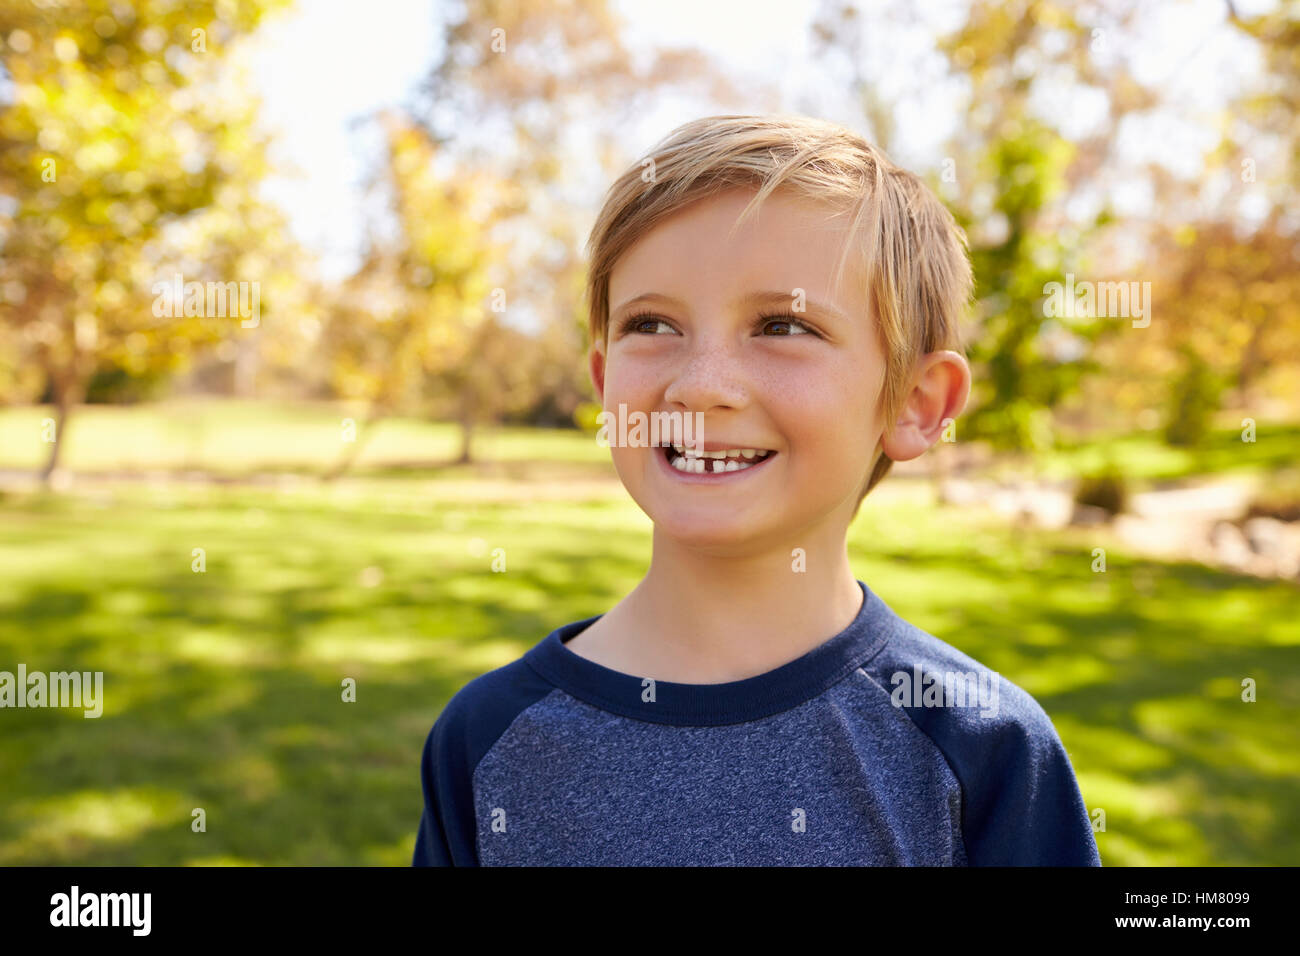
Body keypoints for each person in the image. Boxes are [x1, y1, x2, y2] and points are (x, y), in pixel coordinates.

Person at [413, 114, 1101, 866]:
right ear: (606, 384)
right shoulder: (484, 741)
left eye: (781, 325)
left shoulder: (986, 750)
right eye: (652, 323)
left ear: (915, 403)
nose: (702, 387)